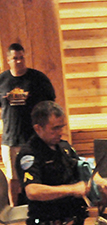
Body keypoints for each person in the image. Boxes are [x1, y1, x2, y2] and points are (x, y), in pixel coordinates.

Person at [0, 43, 56, 206]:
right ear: (9, 60)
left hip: (33, 138)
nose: (18, 61)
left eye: (21, 58)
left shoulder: (38, 79)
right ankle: (13, 209)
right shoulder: (2, 81)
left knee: (36, 175)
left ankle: (41, 207)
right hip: (11, 139)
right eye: (15, 58)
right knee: (13, 178)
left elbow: (50, 105)